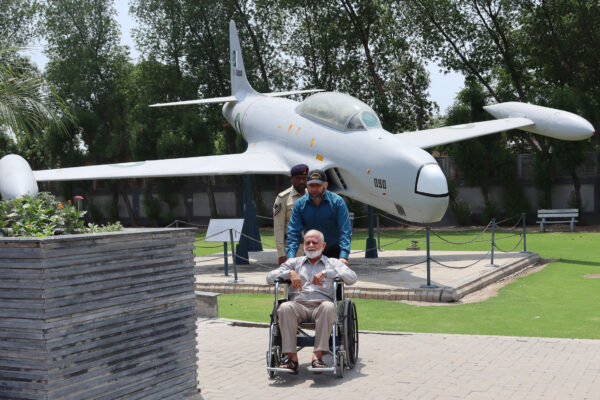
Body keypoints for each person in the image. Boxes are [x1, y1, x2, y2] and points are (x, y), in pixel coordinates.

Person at [266, 229, 357, 373]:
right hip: (298, 306)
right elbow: (269, 277)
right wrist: (288, 273)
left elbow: (352, 278)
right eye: (307, 242)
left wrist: (327, 273)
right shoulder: (295, 263)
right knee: (284, 307)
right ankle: (292, 359)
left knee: (328, 306)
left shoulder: (332, 263)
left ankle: (317, 357)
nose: (311, 245)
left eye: (315, 242)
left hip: (321, 306)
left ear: (323, 245)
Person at [286, 169, 352, 266]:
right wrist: (291, 257)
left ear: (326, 185)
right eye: (311, 185)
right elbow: (293, 233)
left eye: (318, 185)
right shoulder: (299, 204)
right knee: (308, 280)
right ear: (307, 185)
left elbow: (345, 231)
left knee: (334, 280)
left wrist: (343, 256)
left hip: (334, 252)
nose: (314, 189)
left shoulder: (338, 202)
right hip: (311, 251)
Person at [273, 164, 309, 265]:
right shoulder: (283, 198)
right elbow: (278, 227)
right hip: (292, 250)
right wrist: (281, 254)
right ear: (291, 179)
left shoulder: (312, 196)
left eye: (304, 178)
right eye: (298, 178)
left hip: (311, 249)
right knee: (293, 279)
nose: (302, 181)